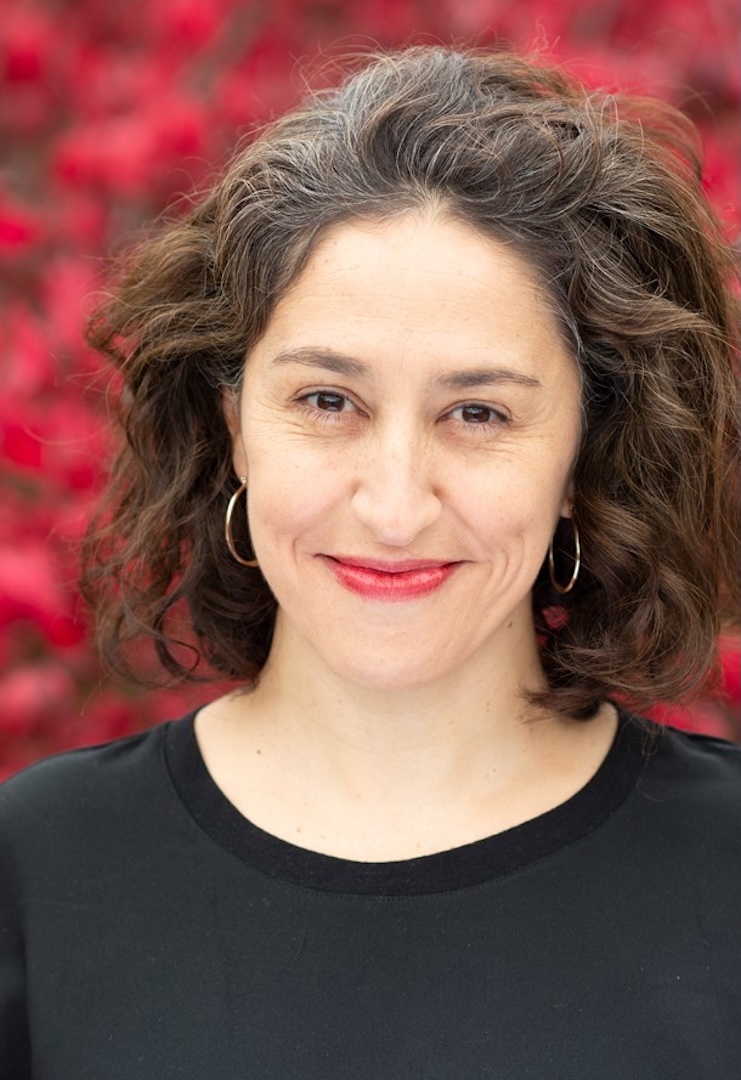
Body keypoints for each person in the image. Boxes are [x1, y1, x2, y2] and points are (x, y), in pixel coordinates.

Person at [1, 45, 739, 1079]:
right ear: (233, 429)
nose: (394, 507)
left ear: (582, 452)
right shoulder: (36, 872)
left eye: (477, 413)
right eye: (327, 402)